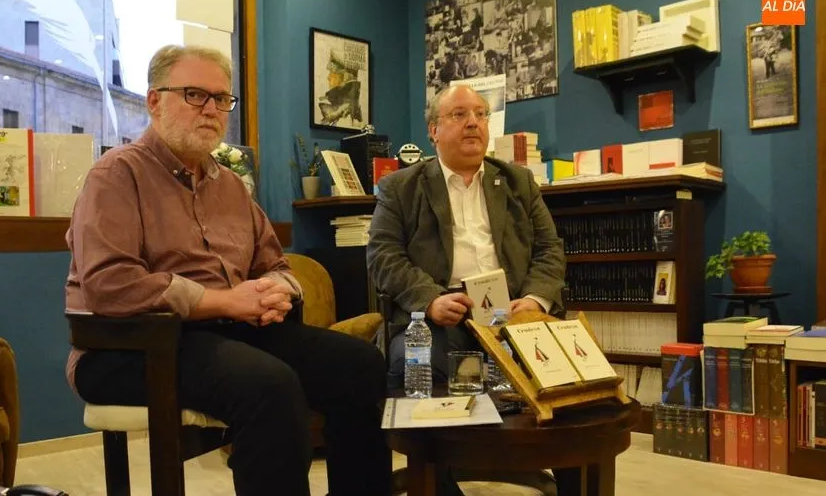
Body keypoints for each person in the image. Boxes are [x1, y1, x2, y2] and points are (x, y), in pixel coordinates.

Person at [64, 44, 391, 496]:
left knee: (360, 364)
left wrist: (278, 290)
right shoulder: (116, 175)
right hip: (129, 347)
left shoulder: (232, 186)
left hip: (224, 333)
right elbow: (109, 285)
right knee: (268, 386)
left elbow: (273, 263)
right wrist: (225, 301)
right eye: (195, 95)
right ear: (154, 101)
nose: (212, 109)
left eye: (221, 99)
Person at [366, 84, 565, 495]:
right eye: (459, 115)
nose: (473, 122)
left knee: (572, 376)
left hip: (511, 316)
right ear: (433, 130)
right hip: (441, 315)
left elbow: (550, 250)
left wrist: (532, 301)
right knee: (413, 365)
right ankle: (439, 481)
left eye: (480, 113)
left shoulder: (518, 181)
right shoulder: (401, 187)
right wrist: (430, 299)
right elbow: (382, 256)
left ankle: (571, 475)